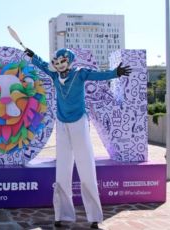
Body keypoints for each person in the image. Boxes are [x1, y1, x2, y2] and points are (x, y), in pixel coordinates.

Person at [24, 48, 131, 229]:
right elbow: (42, 65)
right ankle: (61, 214)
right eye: (56, 63)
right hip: (62, 124)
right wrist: (33, 56)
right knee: (62, 170)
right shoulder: (55, 75)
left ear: (70, 61)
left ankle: (94, 217)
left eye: (62, 61)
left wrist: (115, 73)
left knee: (86, 167)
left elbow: (98, 75)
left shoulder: (80, 73)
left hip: (79, 123)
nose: (59, 65)